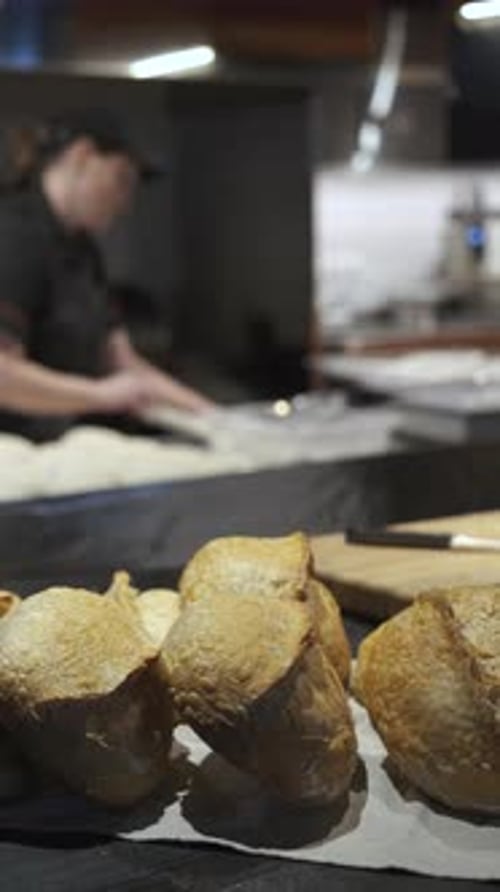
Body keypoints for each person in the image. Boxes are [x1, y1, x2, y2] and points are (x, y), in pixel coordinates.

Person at [0, 108, 213, 441]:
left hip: (75, 442)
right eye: (122, 179)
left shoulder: (83, 249)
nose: (125, 202)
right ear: (82, 156)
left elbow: (121, 361)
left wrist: (220, 421)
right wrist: (101, 395)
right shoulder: (14, 236)